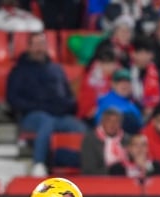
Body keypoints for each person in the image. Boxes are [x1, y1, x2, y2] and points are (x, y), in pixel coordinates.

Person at [7, 31, 87, 178]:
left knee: (79, 127)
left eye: (42, 44)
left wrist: (66, 106)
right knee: (46, 121)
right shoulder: (19, 71)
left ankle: (88, 164)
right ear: (29, 47)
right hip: (31, 116)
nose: (39, 48)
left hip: (59, 115)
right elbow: (13, 99)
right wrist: (39, 106)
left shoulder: (57, 70)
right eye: (36, 44)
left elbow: (68, 97)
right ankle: (39, 164)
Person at [81, 107, 126, 175]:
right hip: (99, 180)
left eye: (116, 121)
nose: (112, 125)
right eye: (109, 121)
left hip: (124, 179)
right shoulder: (90, 140)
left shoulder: (127, 140)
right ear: (102, 122)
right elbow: (88, 170)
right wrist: (111, 171)